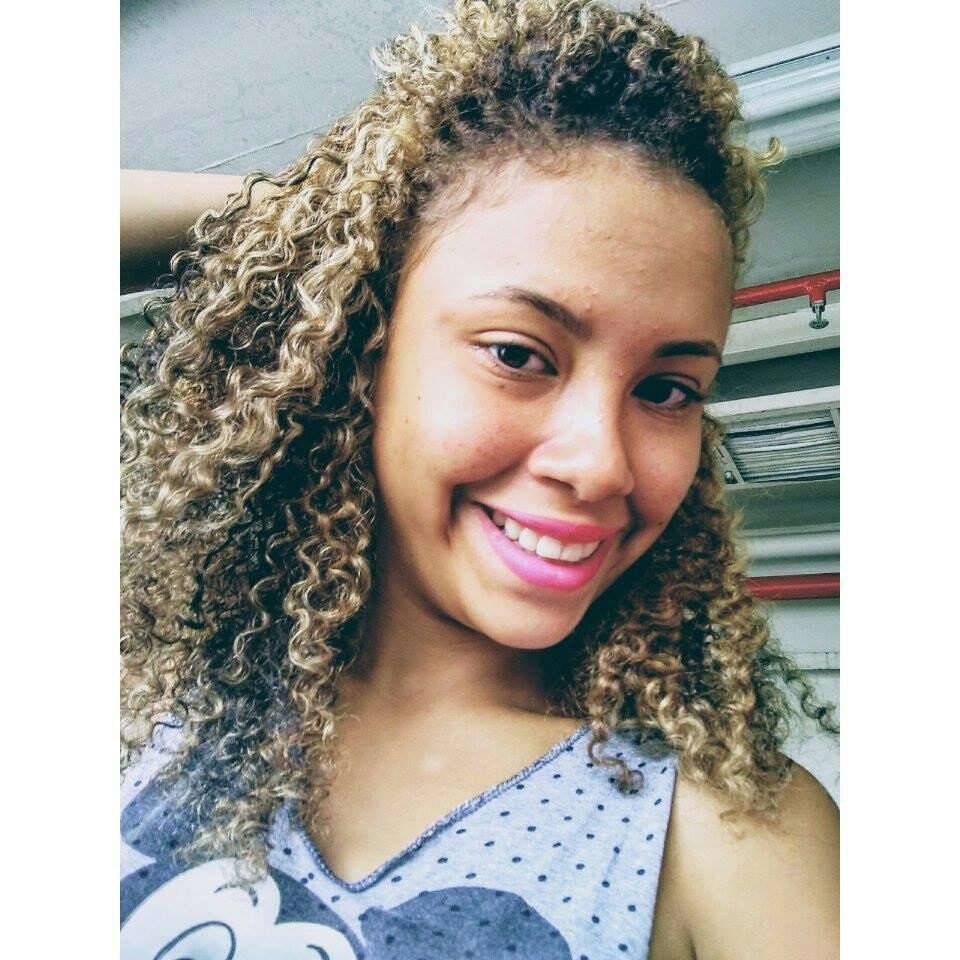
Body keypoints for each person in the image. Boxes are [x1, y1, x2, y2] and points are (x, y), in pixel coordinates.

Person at [120, 1, 840, 957]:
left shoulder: (733, 835)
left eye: (666, 389)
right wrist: (327, 230)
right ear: (359, 349)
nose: (602, 464)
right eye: (517, 353)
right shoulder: (140, 696)